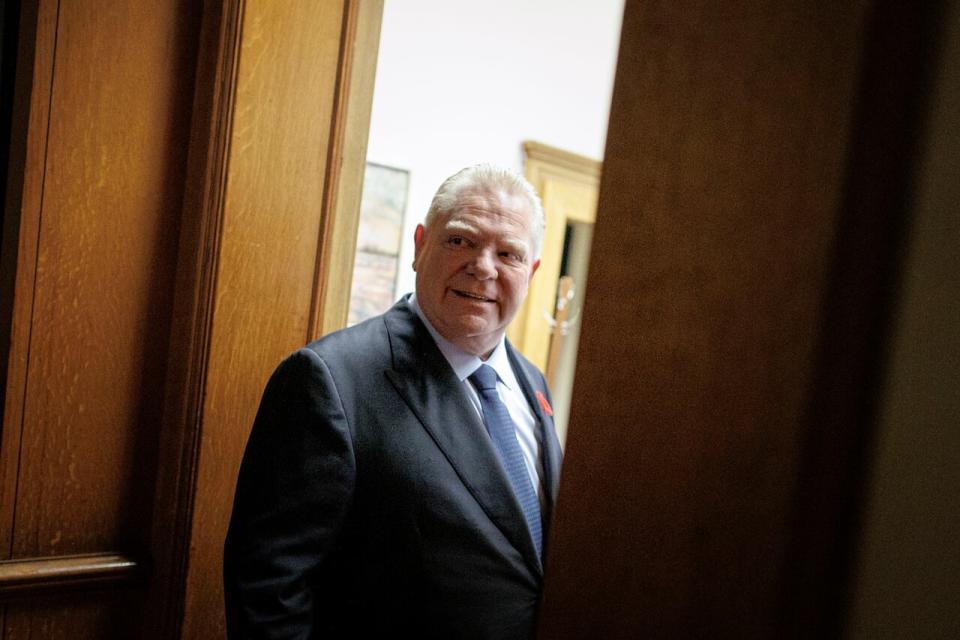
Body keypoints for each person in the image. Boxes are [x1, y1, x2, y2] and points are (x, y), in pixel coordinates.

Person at [223, 164, 563, 639]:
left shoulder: (534, 385)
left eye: (507, 253)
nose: (483, 266)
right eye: (460, 241)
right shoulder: (330, 381)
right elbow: (269, 588)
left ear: (532, 272)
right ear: (420, 245)